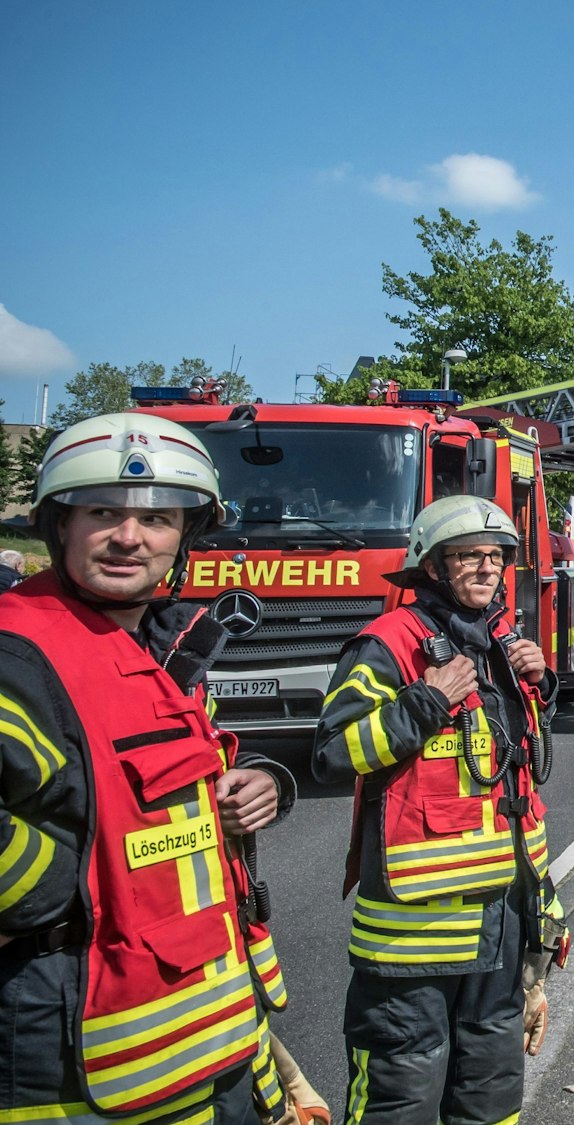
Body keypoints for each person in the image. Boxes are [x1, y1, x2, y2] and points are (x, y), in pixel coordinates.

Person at [0, 412, 298, 1123]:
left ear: (185, 537)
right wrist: (62, 891)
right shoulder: (20, 652)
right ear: (60, 523)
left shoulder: (151, 649)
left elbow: (171, 772)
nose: (131, 537)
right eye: (104, 512)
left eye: (157, 519)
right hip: (77, 1051)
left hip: (205, 1035)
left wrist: (258, 781)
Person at [314, 495, 566, 1125]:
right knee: (403, 1094)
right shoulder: (387, 645)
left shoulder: (504, 642)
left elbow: (524, 776)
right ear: (430, 566)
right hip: (415, 937)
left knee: (490, 1091)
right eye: (467, 557)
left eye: (495, 557)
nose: (486, 569)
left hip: (506, 919)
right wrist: (425, 701)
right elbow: (334, 752)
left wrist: (541, 688)